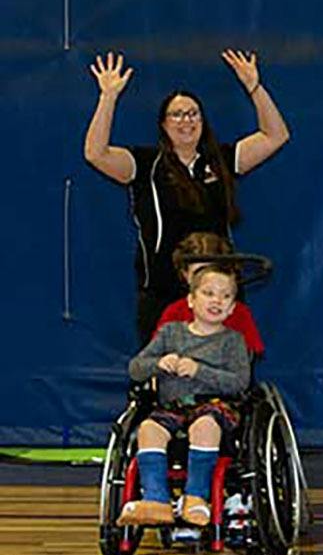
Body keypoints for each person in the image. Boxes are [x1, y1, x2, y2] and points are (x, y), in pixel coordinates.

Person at [81, 50, 291, 342]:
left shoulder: (221, 159)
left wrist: (254, 87)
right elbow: (95, 153)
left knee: (228, 363)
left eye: (193, 113)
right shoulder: (145, 164)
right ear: (164, 124)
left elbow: (276, 136)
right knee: (167, 367)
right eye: (177, 114)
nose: (186, 121)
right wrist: (108, 97)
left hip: (218, 289)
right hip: (164, 291)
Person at [117, 263, 252, 527]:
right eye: (208, 293)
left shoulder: (233, 341)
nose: (216, 301)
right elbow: (135, 368)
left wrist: (199, 371)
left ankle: (196, 497)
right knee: (148, 429)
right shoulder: (170, 333)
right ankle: (156, 500)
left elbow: (239, 382)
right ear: (191, 300)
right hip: (173, 407)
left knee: (204, 425)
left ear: (232, 308)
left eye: (225, 296)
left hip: (215, 406)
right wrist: (158, 363)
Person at [154, 231, 265, 357]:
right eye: (198, 273)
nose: (205, 280)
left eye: (212, 272)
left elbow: (247, 357)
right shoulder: (174, 312)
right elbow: (155, 354)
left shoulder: (239, 313)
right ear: (185, 274)